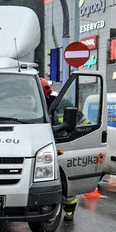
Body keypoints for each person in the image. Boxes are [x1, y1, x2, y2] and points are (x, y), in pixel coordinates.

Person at [41, 77, 77, 222]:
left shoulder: (61, 104)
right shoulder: (31, 104)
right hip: (48, 147)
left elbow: (79, 122)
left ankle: (69, 212)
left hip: (62, 144)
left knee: (66, 183)